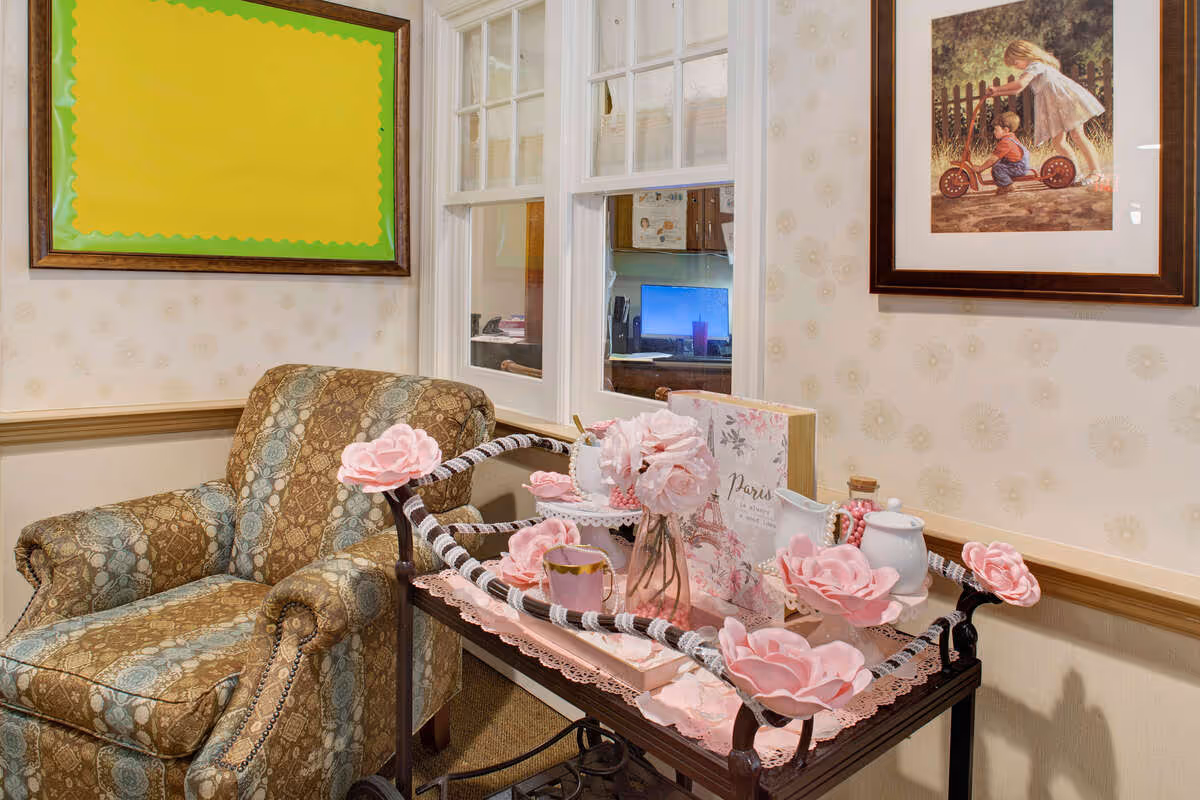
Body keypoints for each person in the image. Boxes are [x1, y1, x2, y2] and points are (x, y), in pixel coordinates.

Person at [986, 40, 1106, 185]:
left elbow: (1020, 84)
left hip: (1066, 102)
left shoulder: (1036, 65)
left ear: (1022, 54)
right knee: (1058, 142)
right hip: (1056, 106)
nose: (1015, 66)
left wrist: (997, 89)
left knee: (1077, 135)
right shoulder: (1036, 66)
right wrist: (996, 93)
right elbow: (1017, 89)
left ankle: (1097, 172)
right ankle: (1075, 173)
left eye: (1015, 62)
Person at [971, 111, 1029, 196]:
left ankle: (1007, 186)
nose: (994, 132)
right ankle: (1004, 184)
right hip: (1018, 164)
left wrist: (980, 168)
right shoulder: (1011, 137)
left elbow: (992, 160)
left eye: (996, 129)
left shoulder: (1005, 142)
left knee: (997, 167)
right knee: (998, 164)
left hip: (1018, 167)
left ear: (1005, 130)